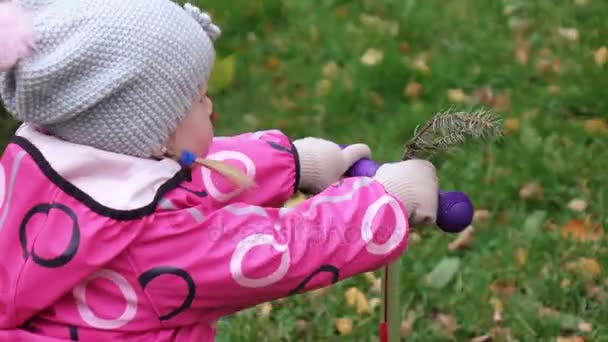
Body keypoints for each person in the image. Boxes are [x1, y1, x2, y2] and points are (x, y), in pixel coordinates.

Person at [0, 0, 439, 340]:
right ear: (152, 131)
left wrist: (293, 163)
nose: (210, 107)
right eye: (196, 99)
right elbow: (275, 251)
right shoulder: (152, 248)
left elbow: (184, 179)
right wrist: (382, 203)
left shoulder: (57, 168)